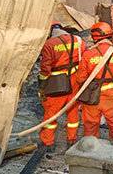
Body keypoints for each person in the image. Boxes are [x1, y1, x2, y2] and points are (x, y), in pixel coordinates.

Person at [38, 21, 85, 151]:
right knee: (73, 110)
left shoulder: (49, 44)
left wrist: (42, 85)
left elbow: (45, 68)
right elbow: (84, 58)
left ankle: (48, 143)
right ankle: (71, 139)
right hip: (75, 79)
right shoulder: (78, 40)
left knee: (51, 113)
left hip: (56, 82)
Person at [75, 22, 113, 140]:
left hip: (92, 97)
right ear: (109, 36)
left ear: (94, 37)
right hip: (111, 96)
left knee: (91, 125)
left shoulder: (88, 54)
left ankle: (91, 152)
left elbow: (81, 78)